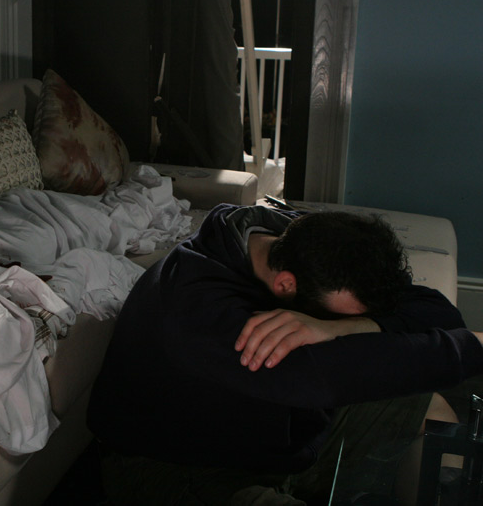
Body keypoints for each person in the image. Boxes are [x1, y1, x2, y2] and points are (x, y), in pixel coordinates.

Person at [86, 203, 483, 505]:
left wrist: (345, 326)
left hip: (282, 432)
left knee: (431, 411)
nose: (338, 323)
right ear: (286, 286)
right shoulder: (196, 308)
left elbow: (441, 314)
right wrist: (473, 347)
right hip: (179, 466)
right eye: (337, 315)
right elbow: (313, 377)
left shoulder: (302, 242)